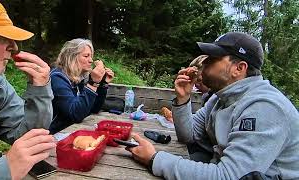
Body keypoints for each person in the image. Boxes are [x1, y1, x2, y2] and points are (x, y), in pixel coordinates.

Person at [127, 32, 299, 179]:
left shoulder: (265, 107)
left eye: (214, 57)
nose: (205, 62)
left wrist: (154, 159)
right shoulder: (219, 99)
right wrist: (183, 99)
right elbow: (188, 135)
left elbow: (228, 176)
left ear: (239, 69)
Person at [0, 0, 56, 179]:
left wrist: (40, 90)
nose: (14, 47)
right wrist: (4, 169)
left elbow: (29, 137)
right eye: (1, 36)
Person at [49, 38, 114, 134]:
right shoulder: (57, 78)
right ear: (71, 57)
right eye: (86, 56)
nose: (91, 60)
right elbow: (75, 114)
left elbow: (94, 108)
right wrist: (93, 83)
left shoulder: (77, 77)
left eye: (91, 56)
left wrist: (103, 84)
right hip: (54, 134)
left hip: (70, 130)